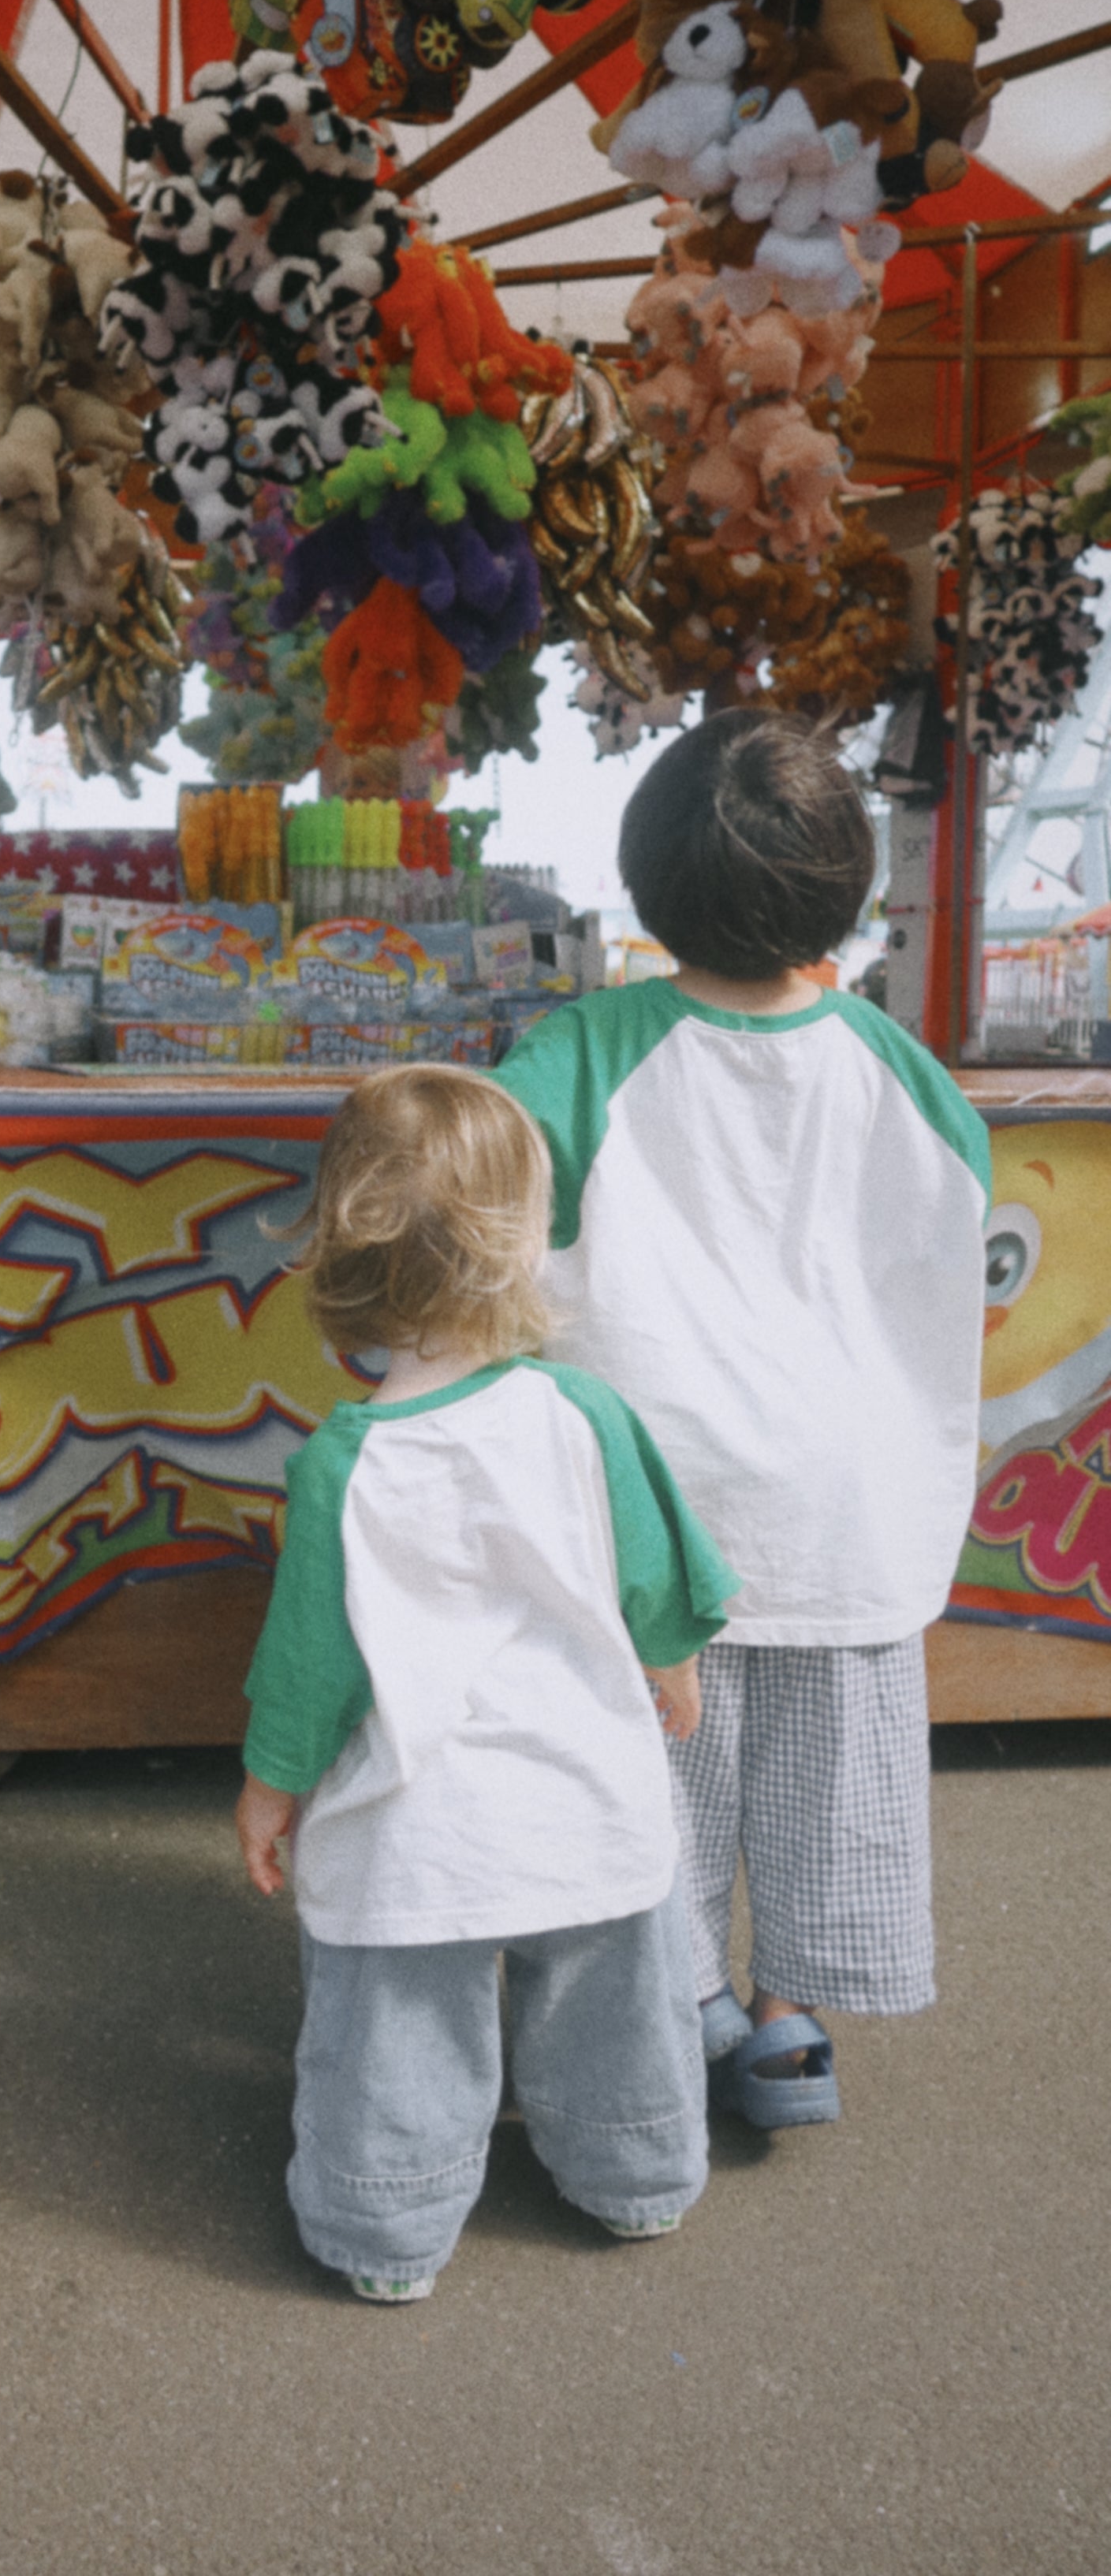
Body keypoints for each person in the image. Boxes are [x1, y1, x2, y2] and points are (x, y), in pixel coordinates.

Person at [497, 709, 990, 2131]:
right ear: (849, 887)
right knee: (835, 1773)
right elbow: (946, 1280)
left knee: (660, 1771)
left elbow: (479, 1217)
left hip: (657, 1495)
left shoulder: (585, 1048)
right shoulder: (912, 1079)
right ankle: (791, 2023)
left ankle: (673, 1997)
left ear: (647, 880)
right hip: (850, 1500)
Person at [236, 1067, 734, 2305]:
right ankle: (637, 2174)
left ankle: (386, 2226)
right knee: (620, 2000)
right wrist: (670, 1666)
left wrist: (270, 1788)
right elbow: (656, 1572)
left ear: (337, 1250)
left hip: (423, 1824)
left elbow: (308, 1666)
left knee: (396, 2030)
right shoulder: (582, 1412)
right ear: (524, 1240)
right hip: (585, 1786)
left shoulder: (342, 1466)